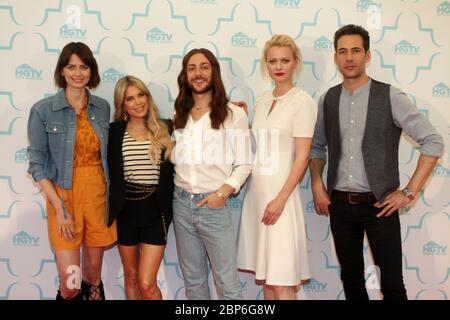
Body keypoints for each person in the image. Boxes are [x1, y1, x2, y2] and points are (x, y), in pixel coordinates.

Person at [309, 24, 445, 300]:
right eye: (343, 51)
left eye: (356, 51)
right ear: (335, 57)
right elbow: (316, 147)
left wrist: (409, 191)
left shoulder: (391, 96)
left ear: (367, 55)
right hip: (340, 207)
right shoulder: (328, 99)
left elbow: (433, 142)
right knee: (352, 283)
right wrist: (316, 184)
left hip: (380, 206)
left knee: (393, 285)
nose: (349, 58)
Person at [27, 42, 117, 300]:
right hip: (63, 197)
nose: (78, 73)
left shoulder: (102, 107)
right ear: (62, 71)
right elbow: (36, 165)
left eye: (84, 67)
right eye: (71, 67)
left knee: (92, 279)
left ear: (91, 71)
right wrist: (59, 207)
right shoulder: (43, 110)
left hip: (98, 195)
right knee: (71, 283)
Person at [237, 34, 317, 300]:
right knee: (268, 282)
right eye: (273, 61)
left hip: (281, 198)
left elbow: (302, 157)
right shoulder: (261, 100)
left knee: (282, 281)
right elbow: (260, 145)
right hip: (257, 196)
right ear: (266, 65)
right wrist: (241, 116)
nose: (279, 66)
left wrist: (280, 200)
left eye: (285, 60)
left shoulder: (303, 101)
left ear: (295, 62)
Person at [171, 48, 252, 300]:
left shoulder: (233, 113)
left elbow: (245, 164)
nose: (198, 73)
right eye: (192, 68)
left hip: (214, 206)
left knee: (227, 284)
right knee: (193, 282)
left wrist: (222, 193)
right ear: (185, 75)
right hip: (181, 204)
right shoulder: (179, 115)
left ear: (213, 72)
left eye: (204, 67)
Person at [107, 75, 174, 300]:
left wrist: (233, 108)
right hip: (125, 211)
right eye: (130, 98)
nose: (138, 102)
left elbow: (202, 118)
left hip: (155, 212)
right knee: (132, 276)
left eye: (141, 95)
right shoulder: (114, 132)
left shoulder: (166, 127)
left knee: (147, 283)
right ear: (122, 104)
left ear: (148, 96)